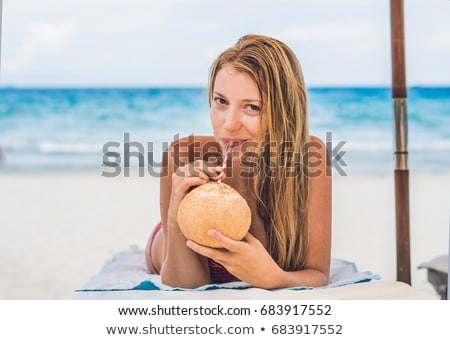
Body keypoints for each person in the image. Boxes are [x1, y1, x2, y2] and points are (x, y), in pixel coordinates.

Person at [145, 34, 331, 289]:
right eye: (221, 101)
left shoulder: (309, 157)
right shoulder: (184, 155)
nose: (230, 124)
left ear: (284, 112)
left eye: (252, 107)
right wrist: (178, 208)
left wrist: (275, 278)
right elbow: (185, 284)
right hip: (162, 246)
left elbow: (317, 274)